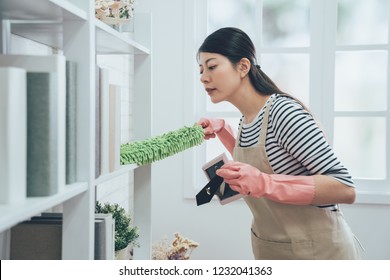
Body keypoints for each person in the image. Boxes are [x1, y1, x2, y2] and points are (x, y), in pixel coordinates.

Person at [197, 27, 362, 260]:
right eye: (201, 69)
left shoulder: (282, 112)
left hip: (319, 254)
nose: (203, 77)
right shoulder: (247, 119)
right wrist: (223, 130)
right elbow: (271, 160)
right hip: (275, 250)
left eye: (212, 66)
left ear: (243, 67)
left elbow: (345, 188)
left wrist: (264, 183)